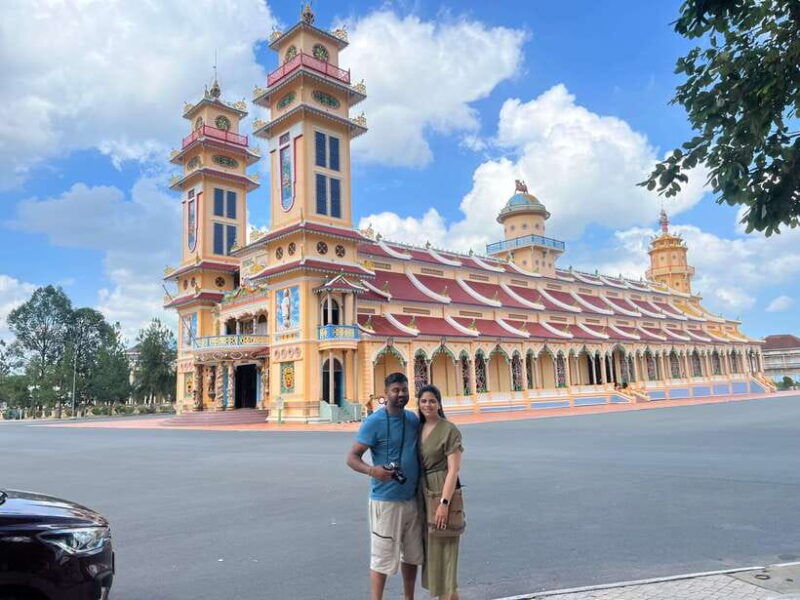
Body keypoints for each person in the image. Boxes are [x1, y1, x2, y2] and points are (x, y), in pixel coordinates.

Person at [347, 373, 423, 600]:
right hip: (385, 500)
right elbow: (352, 457)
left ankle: (408, 598)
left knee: (411, 555)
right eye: (395, 390)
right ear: (386, 393)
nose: (401, 394)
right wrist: (373, 471)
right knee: (381, 557)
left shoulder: (412, 420)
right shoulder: (374, 422)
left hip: (411, 499)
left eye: (404, 390)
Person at [417, 385, 463, 600]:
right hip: (423, 496)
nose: (428, 405)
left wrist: (444, 503)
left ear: (439, 403)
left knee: (445, 556)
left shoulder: (449, 429)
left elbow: (453, 470)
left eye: (432, 401)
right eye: (424, 401)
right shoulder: (418, 428)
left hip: (441, 492)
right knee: (434, 558)